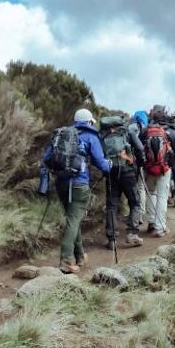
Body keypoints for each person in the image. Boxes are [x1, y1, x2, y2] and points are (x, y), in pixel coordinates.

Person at [43, 108, 111, 274]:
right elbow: (101, 164)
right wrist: (110, 165)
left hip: (61, 183)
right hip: (79, 185)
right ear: (89, 122)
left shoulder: (62, 134)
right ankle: (66, 261)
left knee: (74, 219)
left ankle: (80, 256)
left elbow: (46, 158)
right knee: (73, 220)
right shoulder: (90, 136)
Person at [100, 115, 146, 249]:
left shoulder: (102, 137)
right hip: (128, 172)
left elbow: (99, 156)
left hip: (110, 173)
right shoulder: (128, 133)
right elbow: (140, 149)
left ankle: (112, 239)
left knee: (112, 205)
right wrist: (139, 165)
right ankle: (132, 233)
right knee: (134, 202)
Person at [141, 105, 175, 236]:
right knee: (162, 197)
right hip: (164, 168)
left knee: (151, 194)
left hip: (148, 168)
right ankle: (160, 228)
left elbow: (138, 147)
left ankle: (152, 223)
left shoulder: (145, 130)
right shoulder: (170, 131)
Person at [128, 110, 149, 224]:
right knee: (141, 188)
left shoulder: (130, 127)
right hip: (140, 163)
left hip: (129, 163)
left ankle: (133, 214)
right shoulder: (146, 129)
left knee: (133, 188)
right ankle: (140, 214)